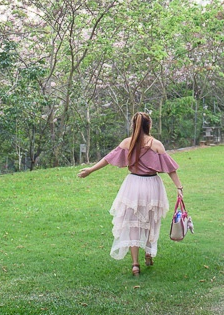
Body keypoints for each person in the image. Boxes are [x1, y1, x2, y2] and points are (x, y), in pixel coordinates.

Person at [78, 111, 184, 276]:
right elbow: (170, 169)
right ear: (149, 125)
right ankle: (148, 253)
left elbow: (108, 158)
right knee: (150, 219)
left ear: (134, 125)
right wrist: (179, 187)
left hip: (133, 184)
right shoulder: (156, 144)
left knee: (133, 222)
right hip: (151, 185)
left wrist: (91, 170)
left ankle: (135, 264)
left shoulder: (128, 143)